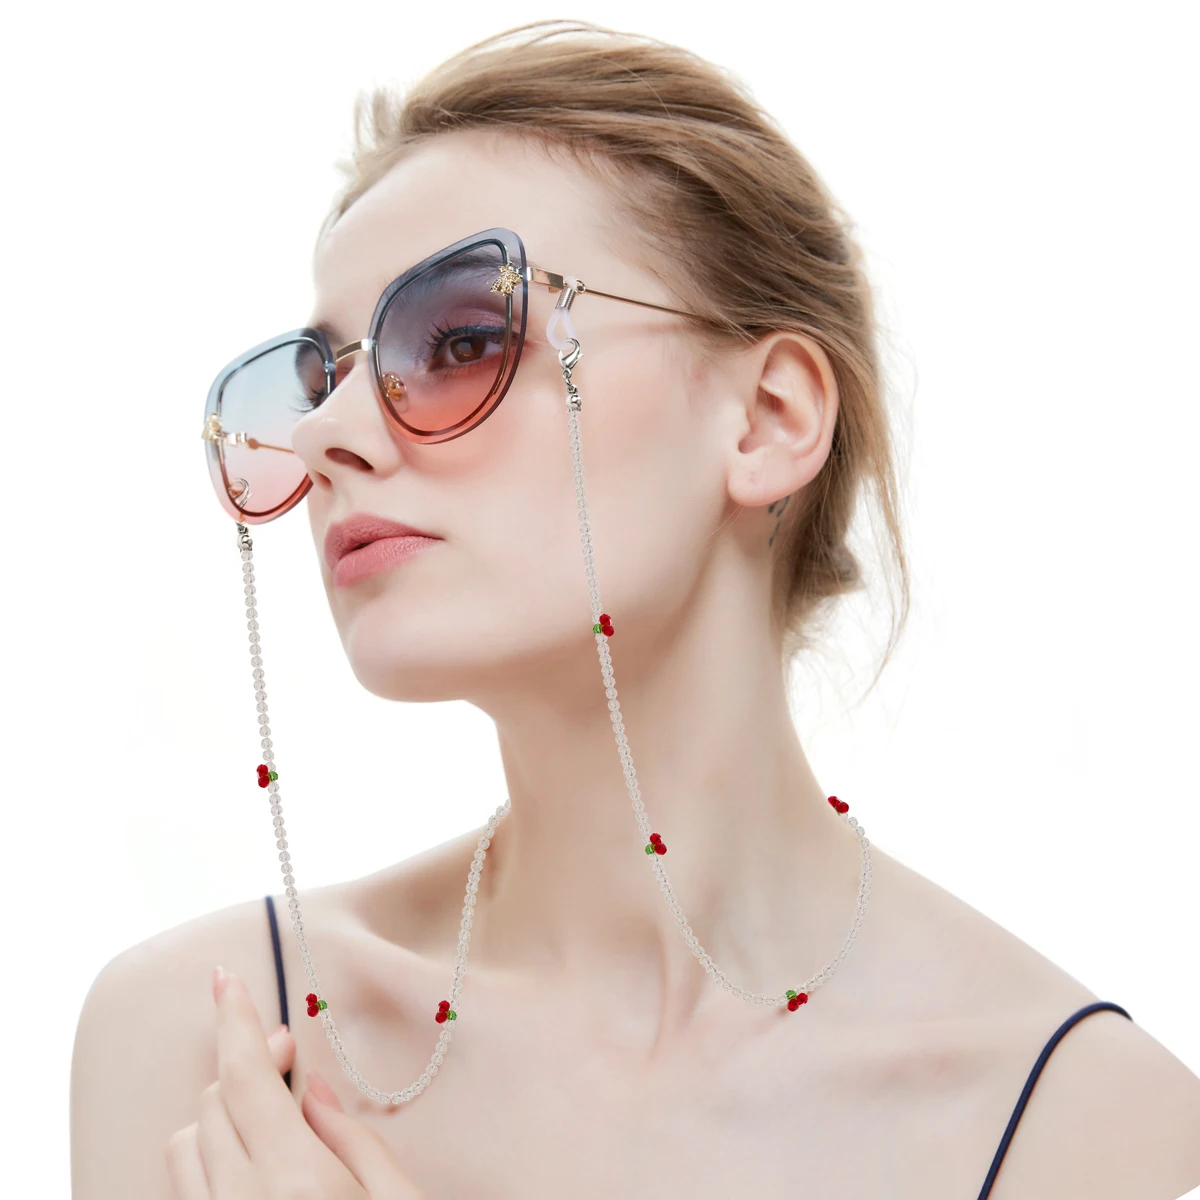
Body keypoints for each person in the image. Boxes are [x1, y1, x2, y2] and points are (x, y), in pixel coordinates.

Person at [70, 18, 1200, 1199]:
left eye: (462, 339)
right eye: (320, 377)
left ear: (766, 418)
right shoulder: (202, 1045)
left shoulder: (1096, 1133)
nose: (325, 435)